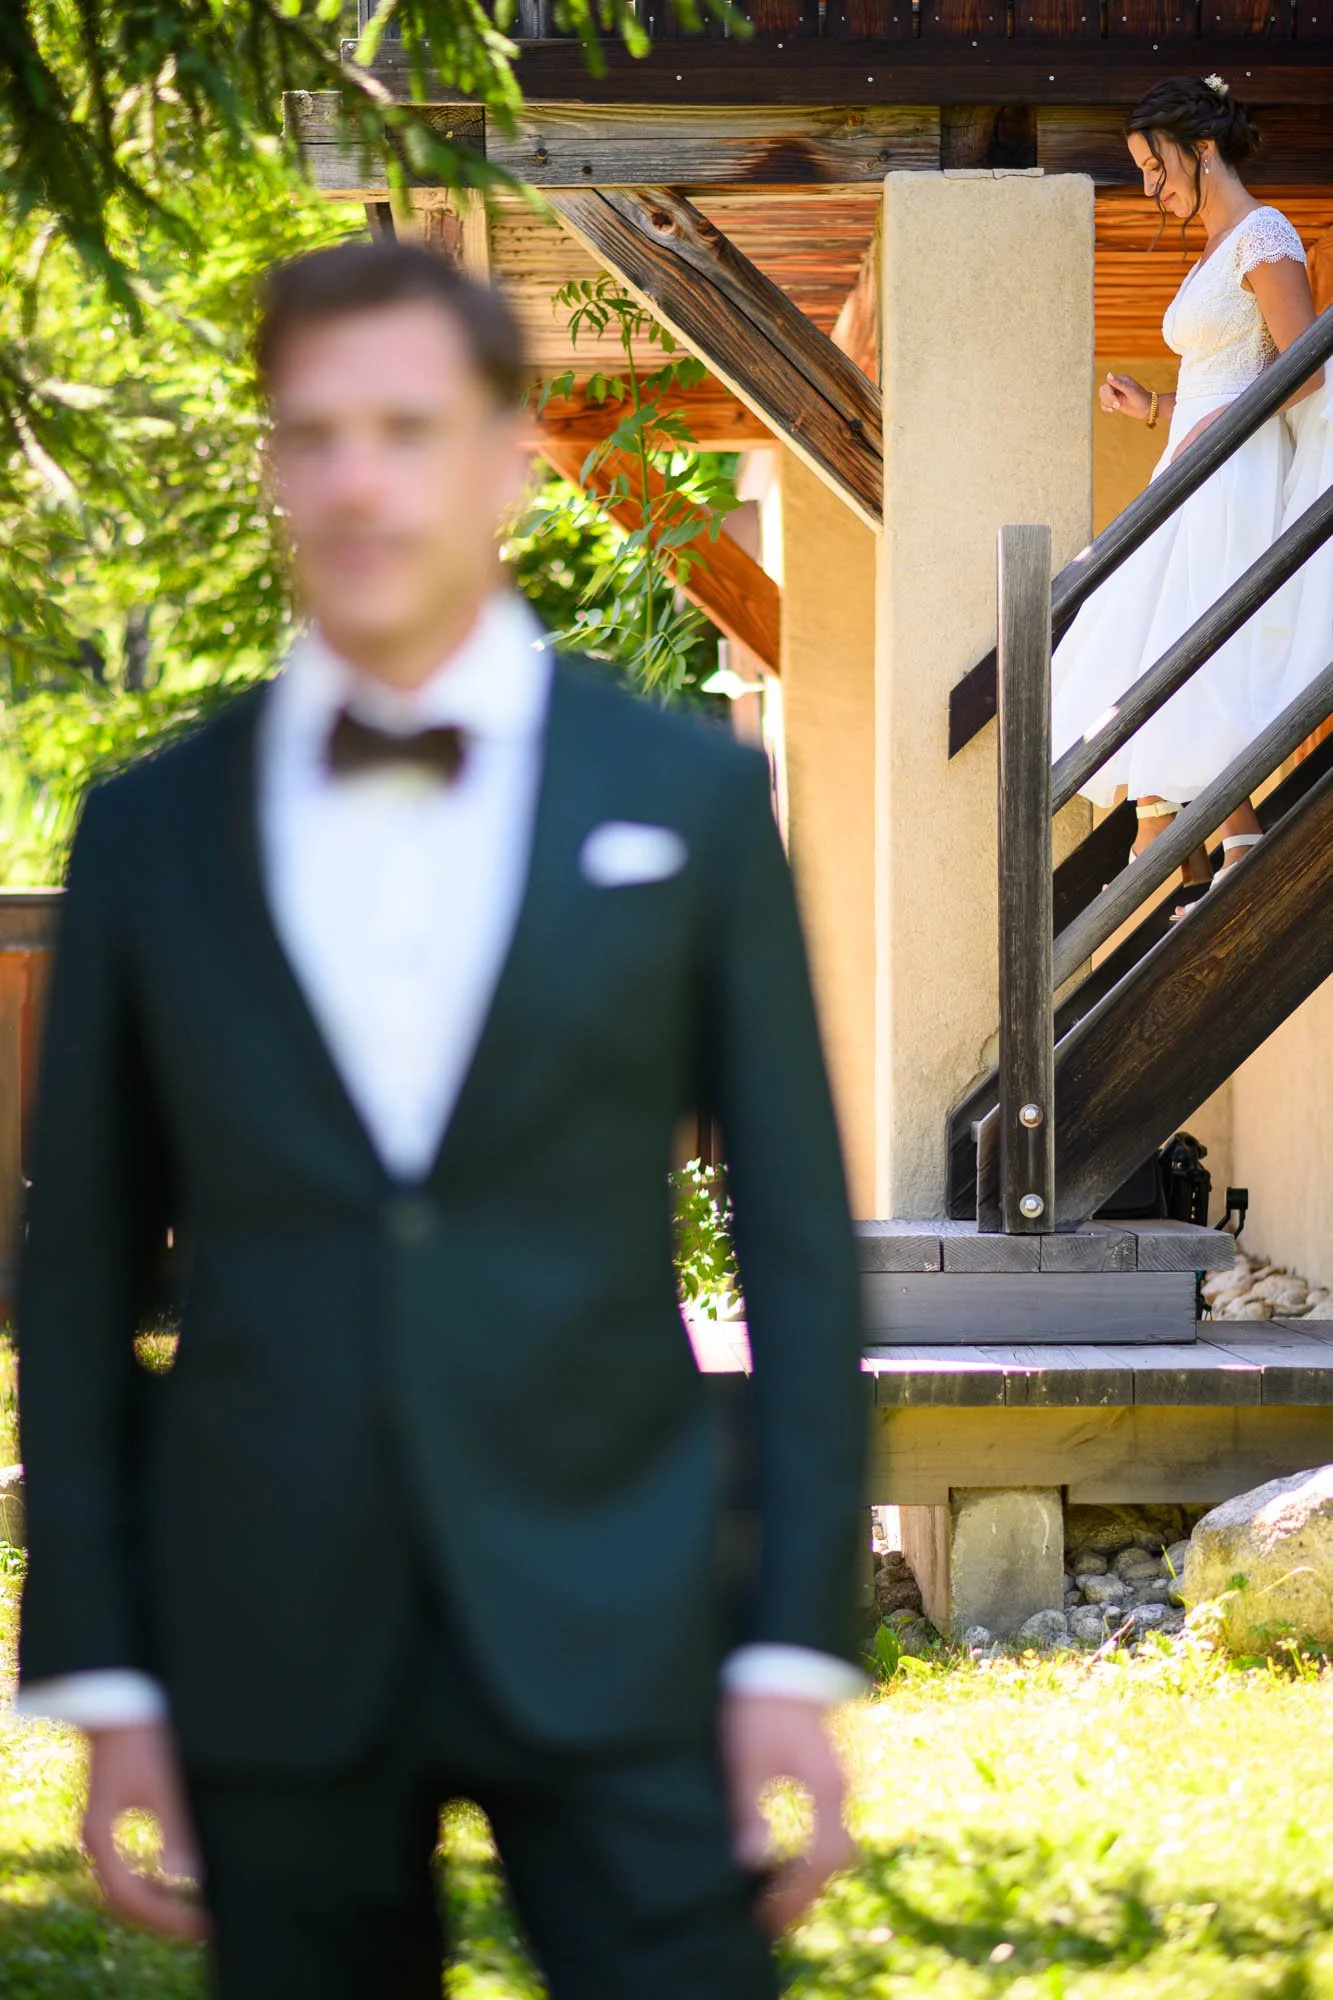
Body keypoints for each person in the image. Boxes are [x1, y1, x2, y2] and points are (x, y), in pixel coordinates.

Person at [14, 240, 869, 2000]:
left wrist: (791, 1643)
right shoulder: (151, 831)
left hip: (621, 1619)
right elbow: (81, 1276)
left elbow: (794, 1241)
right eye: (310, 433)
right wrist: (102, 1677)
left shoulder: (691, 802)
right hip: (271, 1634)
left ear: (507, 456)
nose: (353, 476)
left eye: (404, 426)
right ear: (269, 466)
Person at [1051, 74, 1326, 907]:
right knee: (1145, 626)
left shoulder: (1263, 236)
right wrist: (1155, 409)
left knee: (1185, 632)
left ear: (1200, 149)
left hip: (1233, 469)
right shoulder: (1213, 248)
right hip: (1192, 461)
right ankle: (1185, 825)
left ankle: (1193, 827)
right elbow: (1222, 379)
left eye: (1154, 165)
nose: (1149, 186)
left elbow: (1304, 371)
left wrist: (1218, 428)